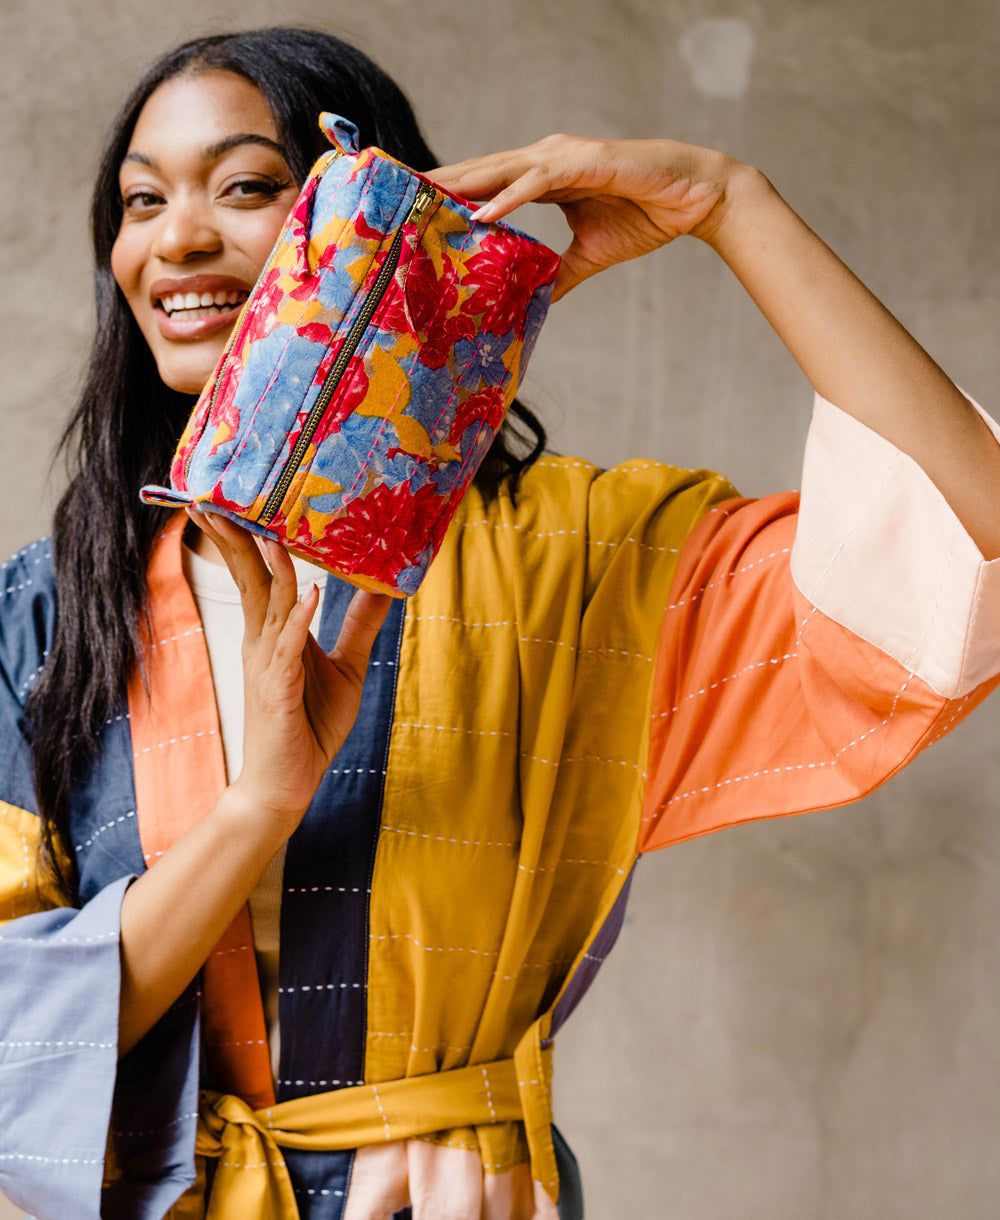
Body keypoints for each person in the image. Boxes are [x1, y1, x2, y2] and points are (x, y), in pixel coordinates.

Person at [1, 24, 998, 1220]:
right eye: (143, 200)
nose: (177, 239)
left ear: (385, 212)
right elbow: (17, 1032)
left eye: (249, 185)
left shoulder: (581, 562)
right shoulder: (46, 614)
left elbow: (960, 555)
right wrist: (258, 806)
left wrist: (734, 205)